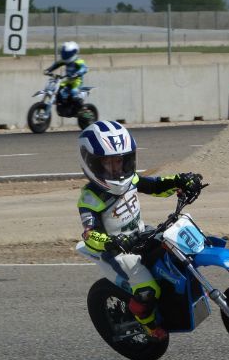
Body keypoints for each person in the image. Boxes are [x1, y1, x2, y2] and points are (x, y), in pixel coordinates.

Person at [74, 120, 203, 341]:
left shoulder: (130, 179)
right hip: (117, 252)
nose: (116, 168)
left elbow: (156, 185)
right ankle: (149, 324)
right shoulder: (90, 198)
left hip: (142, 234)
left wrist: (181, 180)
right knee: (148, 290)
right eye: (108, 163)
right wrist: (110, 242)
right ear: (91, 163)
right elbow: (89, 233)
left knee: (178, 251)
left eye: (120, 161)